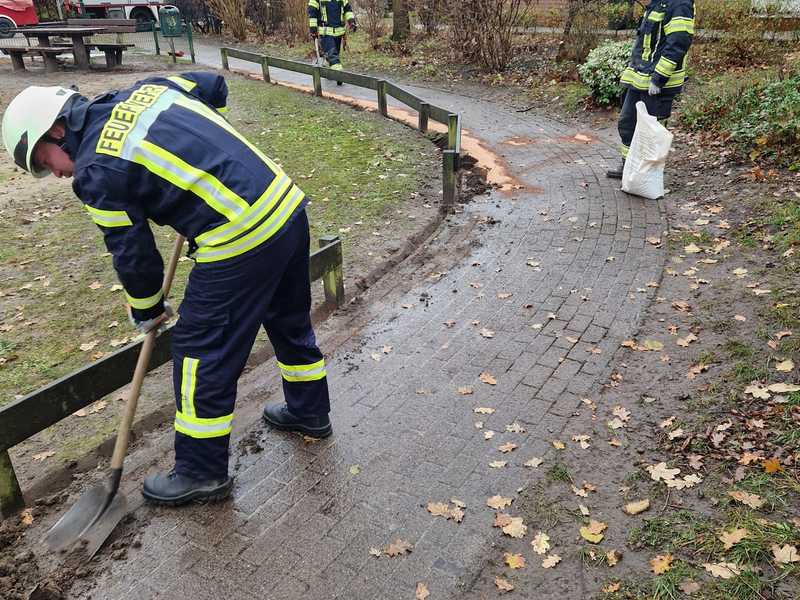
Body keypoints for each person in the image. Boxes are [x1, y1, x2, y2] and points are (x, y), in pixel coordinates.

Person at [1, 73, 332, 506]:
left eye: (45, 163)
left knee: (199, 350)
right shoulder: (149, 88)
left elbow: (133, 254)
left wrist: (147, 308)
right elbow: (213, 86)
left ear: (57, 131)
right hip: (285, 207)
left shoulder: (95, 170)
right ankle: (310, 413)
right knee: (289, 322)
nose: (57, 175)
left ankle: (200, 472)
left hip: (239, 238)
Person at [607, 0, 695, 178]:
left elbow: (678, 43)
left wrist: (659, 78)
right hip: (640, 77)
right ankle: (629, 168)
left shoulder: (679, 4)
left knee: (652, 133)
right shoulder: (658, 3)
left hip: (657, 84)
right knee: (627, 124)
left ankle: (648, 175)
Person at [309, 0, 357, 85]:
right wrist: (313, 28)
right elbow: (312, 12)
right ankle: (338, 75)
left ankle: (327, 64)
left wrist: (351, 22)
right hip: (325, 33)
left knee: (335, 53)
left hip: (338, 32)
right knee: (332, 52)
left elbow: (347, 10)